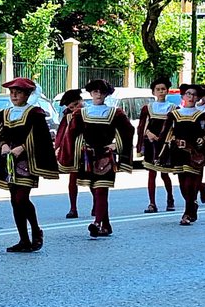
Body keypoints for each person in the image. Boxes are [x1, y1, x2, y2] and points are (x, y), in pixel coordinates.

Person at [0, 77, 58, 252]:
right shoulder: (4, 113)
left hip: (27, 161)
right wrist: (3, 145)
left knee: (22, 198)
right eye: (12, 92)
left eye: (18, 92)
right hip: (9, 161)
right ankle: (23, 239)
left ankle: (36, 230)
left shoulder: (35, 113)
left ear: (27, 94)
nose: (14, 95)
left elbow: (41, 137)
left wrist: (22, 148)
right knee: (14, 200)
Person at [67, 79, 134, 238]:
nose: (98, 94)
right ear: (90, 93)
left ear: (106, 94)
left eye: (102, 92)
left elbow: (128, 131)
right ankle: (106, 224)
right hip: (87, 157)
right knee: (94, 189)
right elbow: (72, 134)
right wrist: (74, 151)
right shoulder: (81, 113)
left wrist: (115, 145)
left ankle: (97, 223)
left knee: (101, 190)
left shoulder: (115, 113)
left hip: (105, 157)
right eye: (95, 91)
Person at [156, 84, 205, 226]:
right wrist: (162, 149)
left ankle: (187, 212)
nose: (191, 97)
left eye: (194, 95)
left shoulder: (203, 115)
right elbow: (165, 133)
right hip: (178, 152)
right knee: (182, 183)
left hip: (196, 153)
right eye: (188, 94)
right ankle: (192, 204)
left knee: (191, 182)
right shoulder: (174, 114)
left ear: (197, 97)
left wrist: (203, 141)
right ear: (183, 96)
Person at [137, 78, 176, 213]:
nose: (161, 91)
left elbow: (174, 126)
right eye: (158, 89)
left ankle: (170, 199)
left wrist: (166, 138)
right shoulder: (148, 107)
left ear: (167, 91)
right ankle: (152, 203)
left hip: (164, 144)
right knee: (151, 174)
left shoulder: (172, 108)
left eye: (163, 89)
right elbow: (142, 125)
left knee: (165, 174)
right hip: (151, 143)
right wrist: (148, 134)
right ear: (153, 92)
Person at [54, 89, 85, 218]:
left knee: (93, 180)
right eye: (71, 107)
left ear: (81, 101)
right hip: (73, 150)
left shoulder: (90, 112)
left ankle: (96, 205)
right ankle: (73, 208)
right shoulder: (68, 116)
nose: (74, 109)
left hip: (89, 149)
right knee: (73, 180)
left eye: (76, 105)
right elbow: (62, 132)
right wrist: (59, 147)